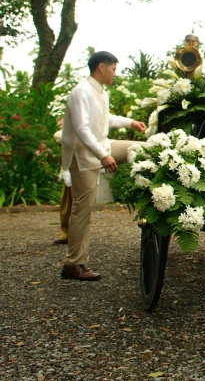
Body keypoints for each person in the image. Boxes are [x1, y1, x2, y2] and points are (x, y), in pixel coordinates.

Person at [59, 51, 146, 281]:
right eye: (114, 69)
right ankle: (73, 264)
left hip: (102, 147)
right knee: (82, 210)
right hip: (83, 155)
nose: (115, 74)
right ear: (101, 67)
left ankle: (147, 195)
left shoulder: (100, 92)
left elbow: (105, 119)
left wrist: (131, 122)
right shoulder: (80, 92)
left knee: (140, 149)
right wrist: (102, 156)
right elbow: (81, 130)